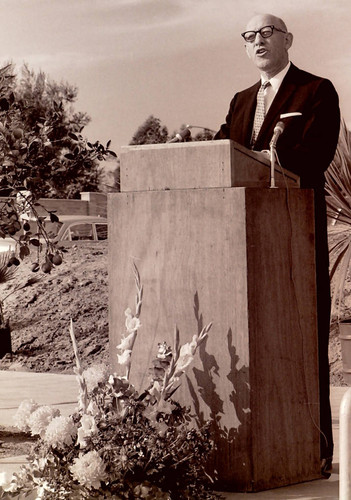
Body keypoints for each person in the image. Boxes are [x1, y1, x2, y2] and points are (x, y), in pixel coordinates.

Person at [215, 13, 340, 476]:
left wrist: (273, 155)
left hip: (294, 232)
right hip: (241, 239)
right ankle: (255, 446)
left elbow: (317, 154)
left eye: (267, 32)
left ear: (288, 39)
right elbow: (222, 158)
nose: (258, 40)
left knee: (302, 336)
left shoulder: (316, 90)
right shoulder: (240, 99)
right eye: (249, 36)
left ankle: (314, 449)